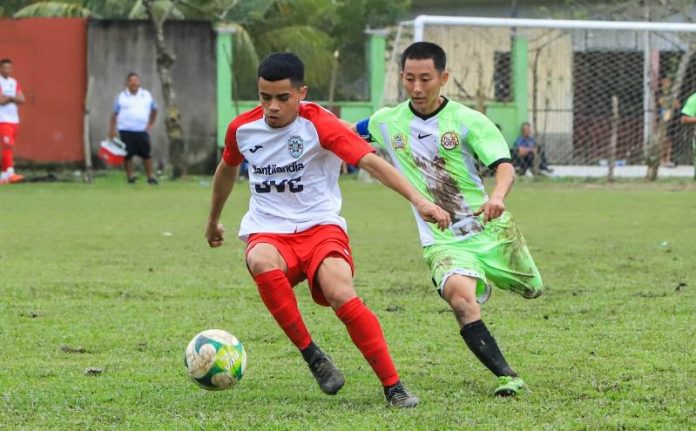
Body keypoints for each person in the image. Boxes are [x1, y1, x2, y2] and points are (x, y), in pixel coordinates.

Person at [205, 52, 451, 408]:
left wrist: (421, 201)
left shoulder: (321, 124)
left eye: (282, 98)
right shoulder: (242, 129)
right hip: (270, 231)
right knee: (259, 259)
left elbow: (372, 162)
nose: (272, 107)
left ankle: (393, 386)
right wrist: (213, 220)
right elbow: (226, 169)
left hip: (321, 228)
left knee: (339, 290)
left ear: (301, 92)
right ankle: (313, 355)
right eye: (264, 97)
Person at [354, 42, 544, 397]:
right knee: (459, 297)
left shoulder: (469, 121)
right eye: (410, 79)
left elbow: (504, 167)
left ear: (443, 78)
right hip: (442, 239)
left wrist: (498, 197)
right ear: (401, 78)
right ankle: (507, 376)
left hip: (490, 230)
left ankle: (499, 275)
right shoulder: (385, 122)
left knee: (533, 290)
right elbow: (342, 136)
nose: (417, 88)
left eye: (426, 78)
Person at [109, 72, 159, 185]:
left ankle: (150, 176)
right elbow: (115, 114)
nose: (134, 83)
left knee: (146, 154)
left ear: (139, 82)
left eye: (136, 80)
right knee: (127, 154)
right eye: (131, 80)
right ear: (127, 83)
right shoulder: (121, 96)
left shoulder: (146, 95)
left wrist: (151, 124)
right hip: (126, 129)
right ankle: (130, 176)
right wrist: (112, 130)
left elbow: (155, 109)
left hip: (141, 130)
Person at [0, 58, 25, 184]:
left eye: (9, 68)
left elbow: (22, 99)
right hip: (2, 119)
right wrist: (13, 98)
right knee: (7, 145)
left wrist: (9, 98)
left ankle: (4, 176)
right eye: (4, 67)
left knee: (9, 147)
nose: (6, 70)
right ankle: (11, 172)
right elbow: (1, 101)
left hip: (14, 120)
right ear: (0, 68)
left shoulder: (14, 82)